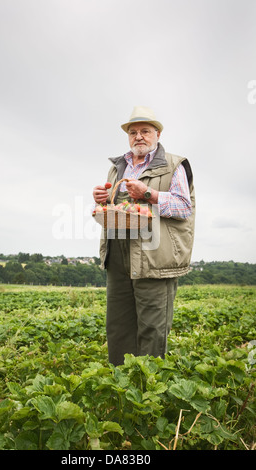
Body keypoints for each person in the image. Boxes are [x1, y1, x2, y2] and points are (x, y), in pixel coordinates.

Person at [93, 106, 195, 366]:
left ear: (157, 134)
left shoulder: (174, 165)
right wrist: (104, 200)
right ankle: (121, 387)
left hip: (154, 256)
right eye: (133, 132)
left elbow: (184, 207)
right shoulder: (118, 168)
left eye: (145, 131)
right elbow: (119, 210)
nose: (138, 136)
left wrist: (148, 194)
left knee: (152, 329)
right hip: (118, 256)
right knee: (118, 327)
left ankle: (148, 393)